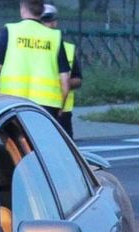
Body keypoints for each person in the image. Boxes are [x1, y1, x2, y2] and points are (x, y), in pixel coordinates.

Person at [0, 0, 71, 120]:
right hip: (47, 104)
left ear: (22, 8)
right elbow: (65, 80)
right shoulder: (54, 37)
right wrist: (61, 106)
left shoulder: (11, 31)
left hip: (12, 100)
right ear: (42, 11)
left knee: (14, 138)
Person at [40, 4, 81, 138]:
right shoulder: (33, 47)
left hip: (62, 112)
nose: (50, 24)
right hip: (37, 107)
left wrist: (65, 82)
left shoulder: (67, 48)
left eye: (52, 20)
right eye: (45, 20)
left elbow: (78, 79)